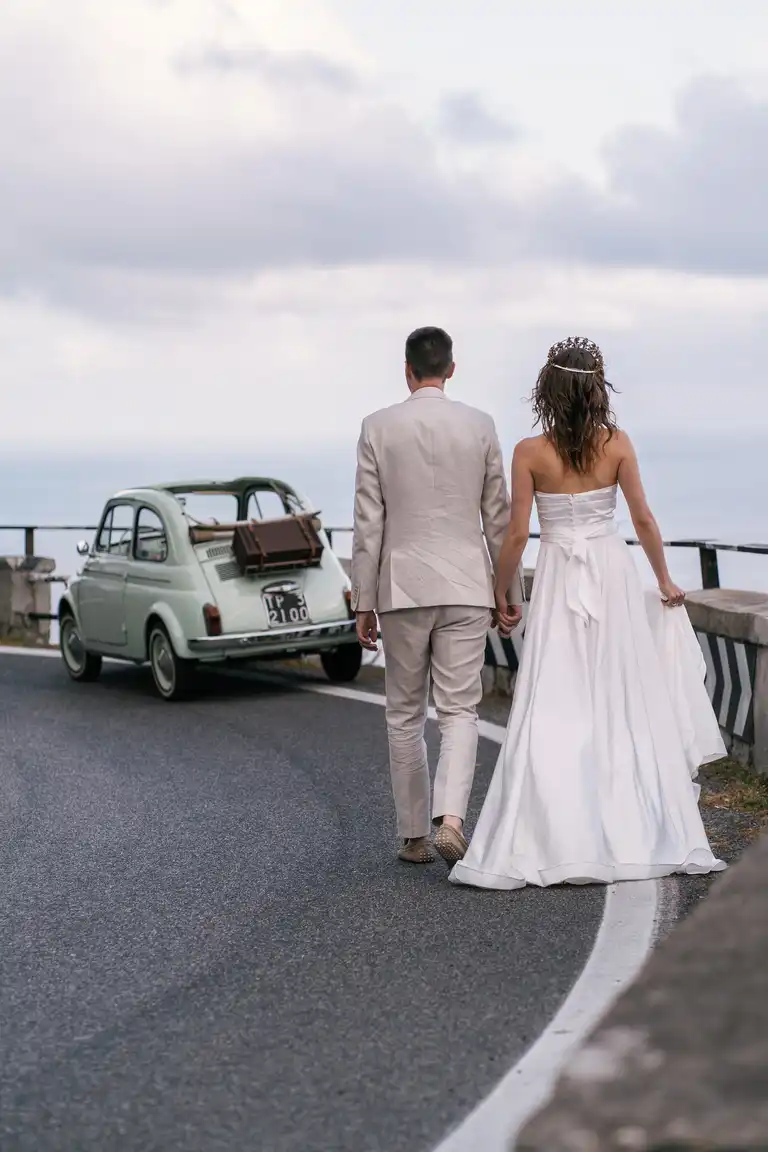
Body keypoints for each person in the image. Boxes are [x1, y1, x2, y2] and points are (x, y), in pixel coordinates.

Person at [450, 336, 726, 890]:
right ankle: (630, 826)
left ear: (547, 389)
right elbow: (643, 520)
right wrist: (666, 580)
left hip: (557, 575)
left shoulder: (530, 452)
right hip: (612, 574)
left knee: (556, 696)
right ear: (598, 388)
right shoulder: (617, 443)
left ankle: (552, 832)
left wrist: (503, 593)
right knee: (619, 697)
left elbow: (518, 532)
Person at [351, 326, 523, 865]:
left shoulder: (377, 427)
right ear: (451, 368)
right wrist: (507, 590)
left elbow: (367, 523)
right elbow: (499, 518)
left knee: (404, 713)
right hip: (468, 585)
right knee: (460, 710)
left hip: (401, 587)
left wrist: (363, 599)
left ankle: (414, 836)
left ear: (407, 370)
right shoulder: (480, 426)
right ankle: (451, 819)